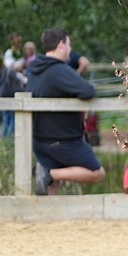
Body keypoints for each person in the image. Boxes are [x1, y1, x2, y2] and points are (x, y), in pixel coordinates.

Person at [25, 28, 106, 194]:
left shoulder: (35, 69)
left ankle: (48, 214)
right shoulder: (59, 70)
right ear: (61, 45)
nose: (70, 48)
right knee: (97, 173)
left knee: (51, 189)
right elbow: (87, 90)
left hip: (39, 140)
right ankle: (48, 173)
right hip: (63, 141)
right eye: (69, 44)